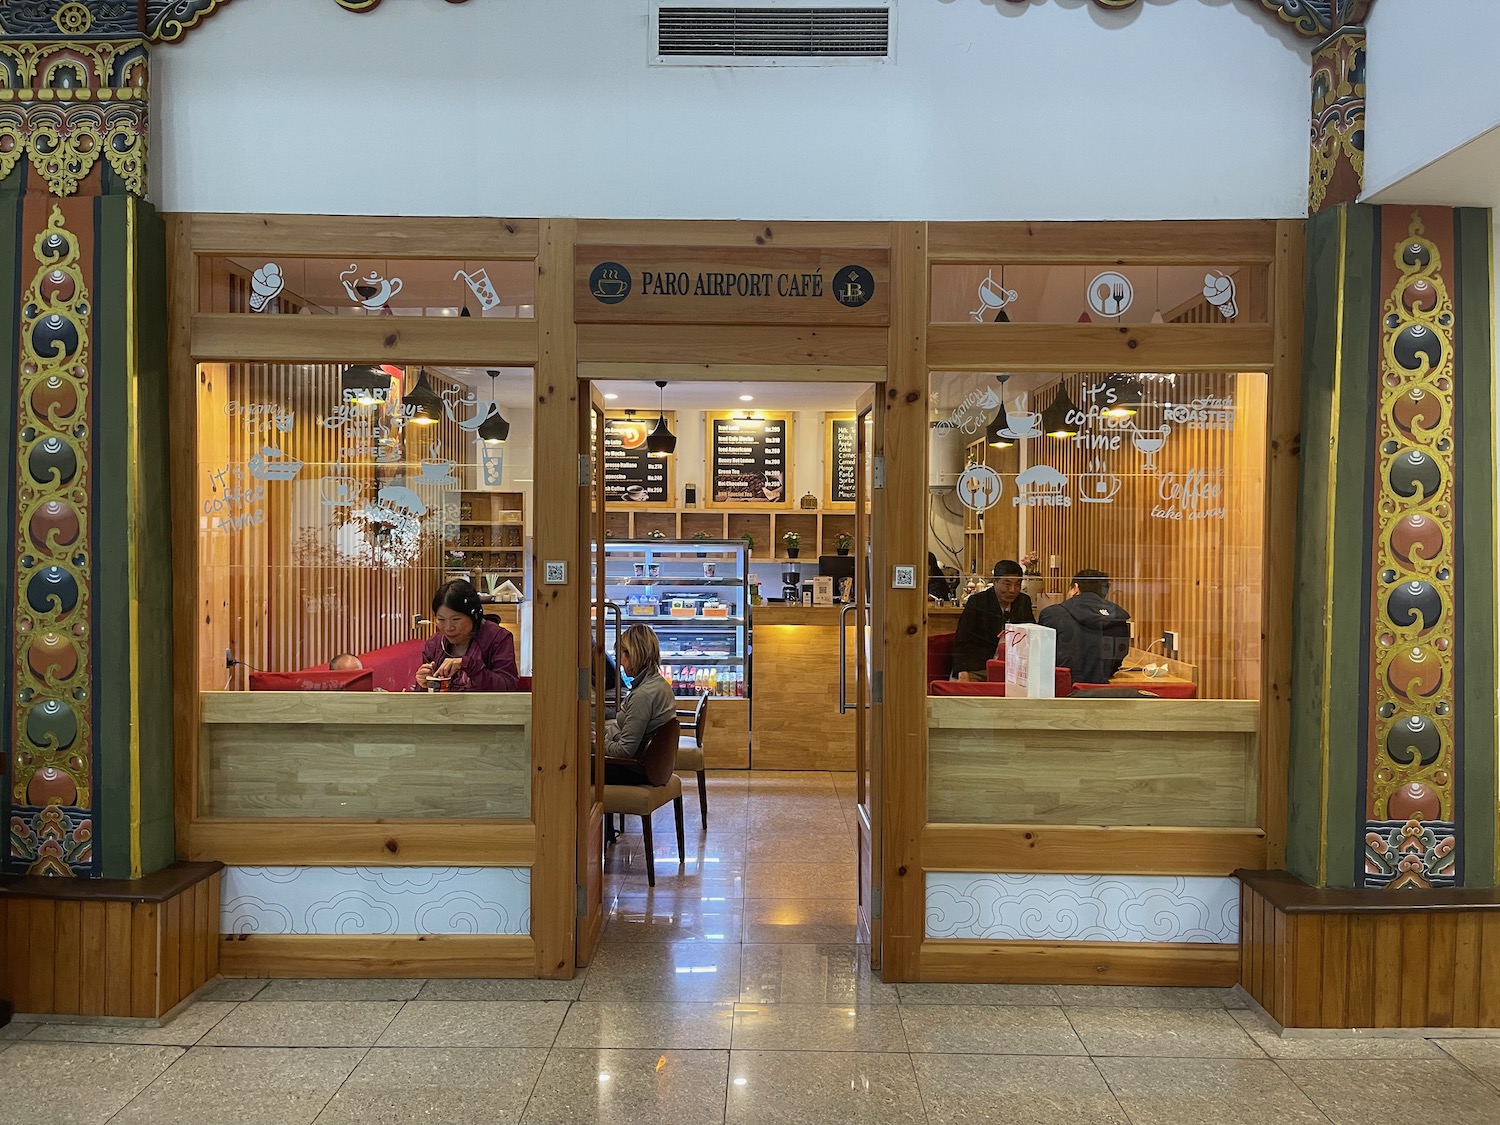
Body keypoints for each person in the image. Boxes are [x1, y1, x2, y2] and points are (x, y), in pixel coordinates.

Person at [414, 579, 519, 691]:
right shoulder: (434, 644)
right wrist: (423, 683)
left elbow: (507, 686)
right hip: (444, 707)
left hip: (487, 707)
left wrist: (468, 664)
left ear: (474, 617)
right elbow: (423, 698)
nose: (449, 627)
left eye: (456, 619)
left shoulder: (498, 638)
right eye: (441, 619)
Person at [603, 623, 676, 782]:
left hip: (636, 770)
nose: (619, 663)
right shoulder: (659, 684)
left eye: (619, 655)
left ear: (631, 654)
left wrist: (598, 743)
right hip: (654, 767)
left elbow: (624, 751)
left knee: (575, 765)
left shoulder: (642, 695)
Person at [1038, 568, 1132, 686]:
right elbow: (1116, 662)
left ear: (1075, 588)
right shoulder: (1117, 617)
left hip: (1061, 689)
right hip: (1102, 691)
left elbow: (1041, 658)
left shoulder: (1052, 614)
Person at [951, 559, 1035, 680]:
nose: (1012, 589)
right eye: (1007, 584)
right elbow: (961, 641)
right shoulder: (978, 602)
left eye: (1017, 584)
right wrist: (961, 670)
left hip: (1013, 667)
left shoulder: (1023, 601)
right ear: (994, 581)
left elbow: (1029, 636)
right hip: (979, 667)